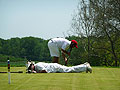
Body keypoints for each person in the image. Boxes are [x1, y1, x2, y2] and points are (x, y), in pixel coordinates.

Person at [27, 61, 92, 73]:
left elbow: (44, 71)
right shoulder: (37, 67)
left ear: (32, 65)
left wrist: (35, 72)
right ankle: (84, 65)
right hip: (55, 68)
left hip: (55, 67)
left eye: (30, 67)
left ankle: (85, 66)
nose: (31, 68)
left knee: (70, 70)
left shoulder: (38, 65)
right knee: (69, 69)